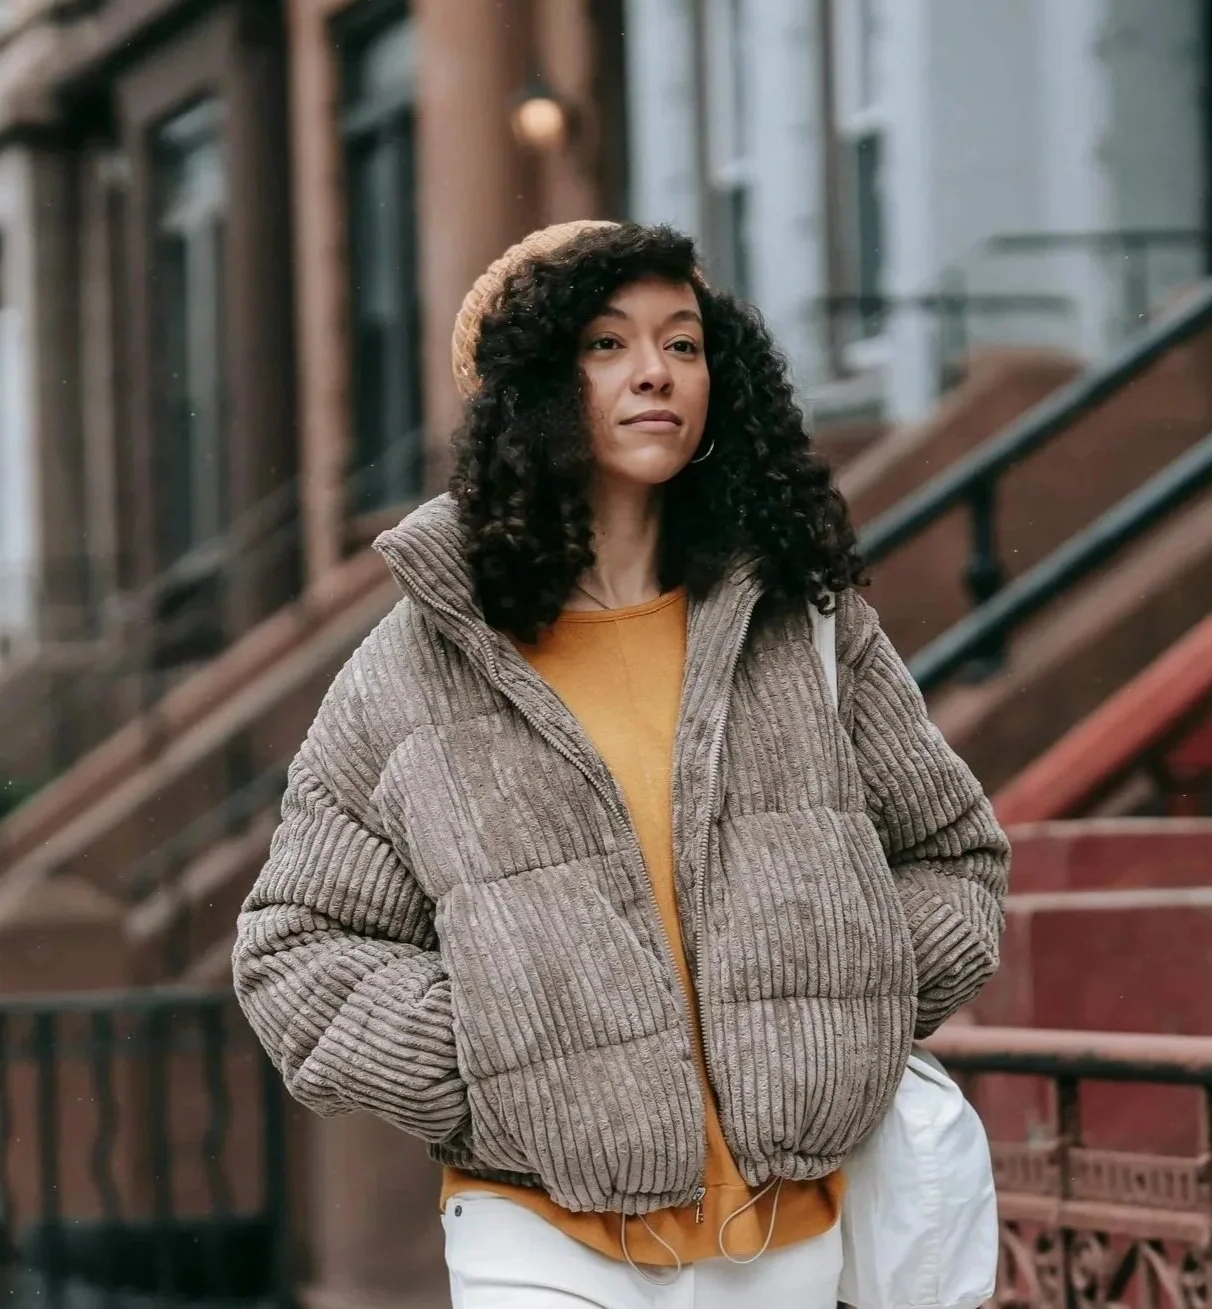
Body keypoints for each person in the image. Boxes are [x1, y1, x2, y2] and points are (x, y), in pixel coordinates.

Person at [232, 220, 1009, 1309]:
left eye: (683, 344)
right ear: (538, 389)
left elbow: (953, 853)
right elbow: (293, 947)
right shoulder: (422, 664)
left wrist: (848, 996)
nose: (656, 372)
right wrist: (491, 1055)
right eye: (608, 344)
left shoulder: (804, 624)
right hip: (538, 1238)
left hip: (786, 1240)